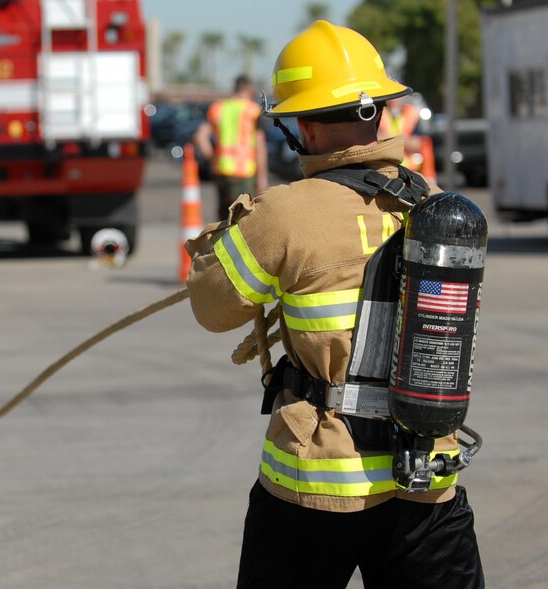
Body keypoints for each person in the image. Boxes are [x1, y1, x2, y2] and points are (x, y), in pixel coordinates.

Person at [184, 21, 484, 588]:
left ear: (305, 128)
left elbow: (211, 308)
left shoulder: (286, 214)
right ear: (379, 114)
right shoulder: (435, 208)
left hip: (316, 485)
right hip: (427, 477)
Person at [194, 75, 268, 220]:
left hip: (222, 170)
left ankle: (219, 242)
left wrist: (213, 157)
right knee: (243, 219)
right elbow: (260, 146)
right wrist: (262, 177)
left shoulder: (218, 108)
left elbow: (200, 137)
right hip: (244, 173)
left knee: (223, 218)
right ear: (248, 88)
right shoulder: (252, 110)